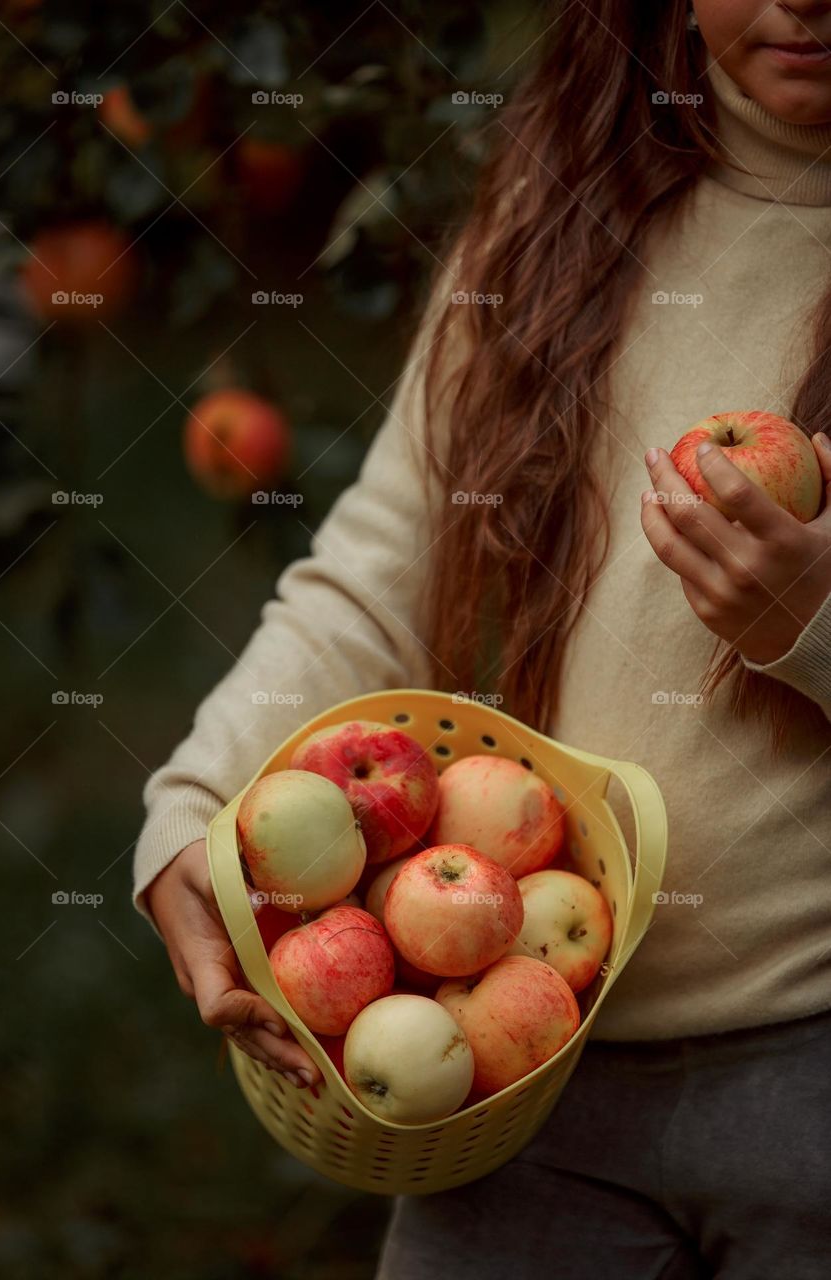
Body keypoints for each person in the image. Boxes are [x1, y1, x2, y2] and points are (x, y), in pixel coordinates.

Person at [135, 1, 831, 1274]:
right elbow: (380, 564)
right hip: (510, 1062)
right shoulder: (563, 202)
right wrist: (192, 811)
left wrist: (815, 627)